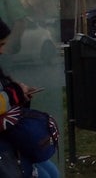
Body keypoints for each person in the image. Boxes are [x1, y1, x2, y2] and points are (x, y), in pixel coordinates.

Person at [0, 17, 59, 178]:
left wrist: (20, 94)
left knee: (51, 172)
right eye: (0, 45)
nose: (2, 51)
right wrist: (16, 93)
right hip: (5, 146)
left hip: (11, 138)